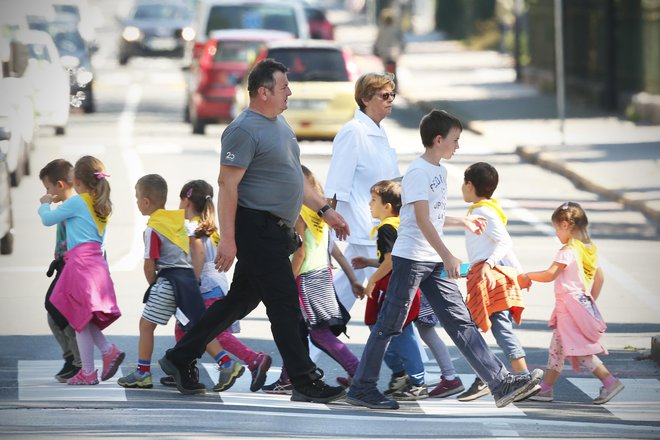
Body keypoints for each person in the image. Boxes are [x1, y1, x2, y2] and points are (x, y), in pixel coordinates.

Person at [158, 58, 350, 403]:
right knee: (285, 305)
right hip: (255, 228)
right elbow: (227, 185)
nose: (290, 92)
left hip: (272, 231)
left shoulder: (278, 124)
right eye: (284, 87)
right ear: (263, 92)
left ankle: (179, 357)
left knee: (238, 302)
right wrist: (228, 240)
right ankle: (305, 380)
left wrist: (324, 209)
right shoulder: (243, 130)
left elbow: (292, 176)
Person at [345, 109, 543, 410]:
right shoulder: (418, 172)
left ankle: (500, 383)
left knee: (460, 321)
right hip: (411, 259)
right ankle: (361, 387)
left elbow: (432, 217)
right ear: (438, 140)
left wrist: (460, 222)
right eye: (454, 140)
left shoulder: (438, 171)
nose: (457, 146)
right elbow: (421, 220)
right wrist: (447, 254)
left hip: (430, 259)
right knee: (389, 324)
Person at [118, 174, 241, 393]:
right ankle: (226, 363)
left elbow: (149, 265)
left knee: (146, 325)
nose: (136, 202)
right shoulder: (182, 221)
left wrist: (154, 285)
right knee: (196, 327)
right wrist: (193, 278)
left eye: (137, 198)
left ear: (146, 202)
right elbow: (198, 249)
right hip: (188, 282)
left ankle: (143, 372)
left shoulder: (153, 228)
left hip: (169, 281)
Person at [263, 165, 362, 393]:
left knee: (319, 333)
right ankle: (290, 377)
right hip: (322, 274)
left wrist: (287, 279)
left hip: (304, 277)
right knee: (297, 330)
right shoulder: (321, 213)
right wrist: (352, 277)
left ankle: (359, 371)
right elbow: (333, 250)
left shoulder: (298, 211)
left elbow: (300, 252)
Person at [170, 179, 272, 392]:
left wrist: (191, 284)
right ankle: (182, 368)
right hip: (217, 284)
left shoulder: (190, 228)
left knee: (212, 332)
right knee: (183, 328)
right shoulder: (211, 227)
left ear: (186, 201)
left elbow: (196, 256)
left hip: (203, 287)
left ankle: (252, 359)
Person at [520, 202, 624, 405]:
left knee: (581, 350)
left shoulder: (567, 250)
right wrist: (587, 301)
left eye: (557, 228)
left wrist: (526, 276)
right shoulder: (588, 249)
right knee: (557, 350)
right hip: (578, 304)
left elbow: (550, 274)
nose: (556, 233)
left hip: (569, 307)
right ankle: (547, 389)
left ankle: (610, 382)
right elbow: (599, 278)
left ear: (566, 225)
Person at [38, 155, 124, 385]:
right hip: (96, 263)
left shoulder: (78, 202)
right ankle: (102, 355)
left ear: (76, 181)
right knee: (83, 318)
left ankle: (96, 362)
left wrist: (45, 203)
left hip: (79, 264)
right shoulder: (101, 204)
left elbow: (48, 219)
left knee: (76, 316)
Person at [324, 72, 400, 315]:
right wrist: (326, 231)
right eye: (384, 95)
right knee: (394, 295)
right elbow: (336, 185)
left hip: (377, 226)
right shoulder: (353, 131)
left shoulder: (379, 132)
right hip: (363, 226)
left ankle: (309, 345)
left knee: (344, 293)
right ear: (366, 99)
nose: (390, 100)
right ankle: (409, 352)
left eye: (392, 95)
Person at [457, 161, 530, 401]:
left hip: (492, 281)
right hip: (489, 277)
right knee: (474, 327)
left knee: (494, 329)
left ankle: (523, 378)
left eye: (463, 183)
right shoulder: (486, 208)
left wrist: (488, 265)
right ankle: (488, 377)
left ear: (470, 185)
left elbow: (504, 242)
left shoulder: (482, 211)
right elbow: (492, 249)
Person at [351, 179, 428, 401]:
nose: (369, 204)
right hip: (404, 284)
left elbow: (391, 261)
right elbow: (393, 258)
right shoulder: (401, 224)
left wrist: (372, 281)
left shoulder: (386, 228)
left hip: (393, 287)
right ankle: (404, 376)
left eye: (373, 200)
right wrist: (369, 261)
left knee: (395, 333)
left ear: (387, 207)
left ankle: (417, 381)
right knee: (392, 332)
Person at [38, 159, 82, 382]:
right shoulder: (69, 205)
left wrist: (45, 203)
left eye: (48, 188)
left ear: (60, 185)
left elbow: (46, 219)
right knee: (54, 313)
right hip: (64, 267)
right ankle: (70, 357)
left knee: (61, 313)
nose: (47, 192)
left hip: (73, 268)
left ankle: (78, 361)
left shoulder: (72, 205)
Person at [373, 8, 404, 77]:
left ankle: (386, 80)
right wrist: (401, 49)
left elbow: (377, 41)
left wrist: (376, 49)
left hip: (383, 52)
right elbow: (401, 40)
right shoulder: (396, 29)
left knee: (385, 68)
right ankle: (394, 81)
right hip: (394, 52)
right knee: (394, 68)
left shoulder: (381, 29)